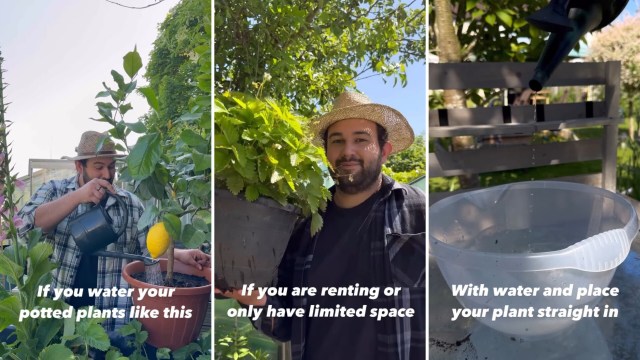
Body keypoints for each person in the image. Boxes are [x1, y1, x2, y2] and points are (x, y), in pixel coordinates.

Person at [218, 92, 425, 360]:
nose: (347, 151)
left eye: (361, 140)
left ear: (384, 151)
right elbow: (284, 325)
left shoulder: (419, 210)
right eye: (337, 141)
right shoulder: (302, 227)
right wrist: (256, 300)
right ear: (326, 151)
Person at [17, 131, 210, 331]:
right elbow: (25, 227)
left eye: (111, 167)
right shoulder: (55, 191)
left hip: (109, 316)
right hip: (61, 314)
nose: (107, 175)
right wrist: (77, 197)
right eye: (98, 167)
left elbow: (147, 252)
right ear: (79, 166)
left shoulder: (130, 203)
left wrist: (180, 255)